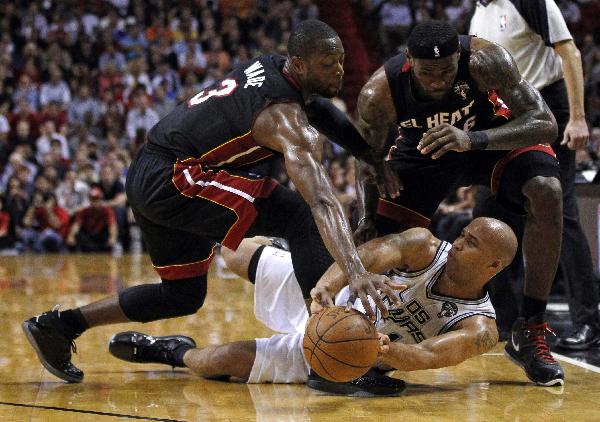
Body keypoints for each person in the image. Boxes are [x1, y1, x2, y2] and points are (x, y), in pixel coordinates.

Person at [22, 19, 401, 384]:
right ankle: (324, 343)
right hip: (176, 177)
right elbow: (320, 199)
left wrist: (365, 153)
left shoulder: (276, 68)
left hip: (150, 171)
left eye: (340, 61)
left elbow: (316, 108)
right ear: (299, 65)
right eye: (328, 64)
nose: (338, 70)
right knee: (298, 214)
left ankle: (61, 325)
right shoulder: (281, 117)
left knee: (182, 296)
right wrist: (355, 270)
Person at [352, 20, 564, 386]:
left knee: (547, 190)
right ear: (408, 61)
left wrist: (472, 139)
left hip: (489, 139)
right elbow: (365, 155)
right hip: (425, 150)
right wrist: (367, 214)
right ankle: (367, 347)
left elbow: (545, 123)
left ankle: (531, 329)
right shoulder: (379, 92)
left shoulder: (486, 60)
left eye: (447, 70)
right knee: (379, 236)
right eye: (428, 73)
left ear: (460, 57)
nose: (438, 80)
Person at [107, 217, 520, 396]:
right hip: (332, 299)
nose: (459, 243)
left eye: (472, 244)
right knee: (233, 253)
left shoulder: (480, 327)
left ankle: (171, 350)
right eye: (464, 234)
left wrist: (385, 350)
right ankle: (263, 243)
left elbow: (430, 356)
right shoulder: (424, 246)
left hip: (346, 350)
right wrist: (322, 289)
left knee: (213, 361)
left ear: (494, 265)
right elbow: (365, 256)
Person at [469, 0, 599, 350]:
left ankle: (587, 320)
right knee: (489, 212)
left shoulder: (531, 2)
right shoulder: (480, 11)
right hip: (506, 115)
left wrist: (577, 116)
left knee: (561, 210)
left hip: (544, 108)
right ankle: (508, 320)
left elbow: (568, 52)